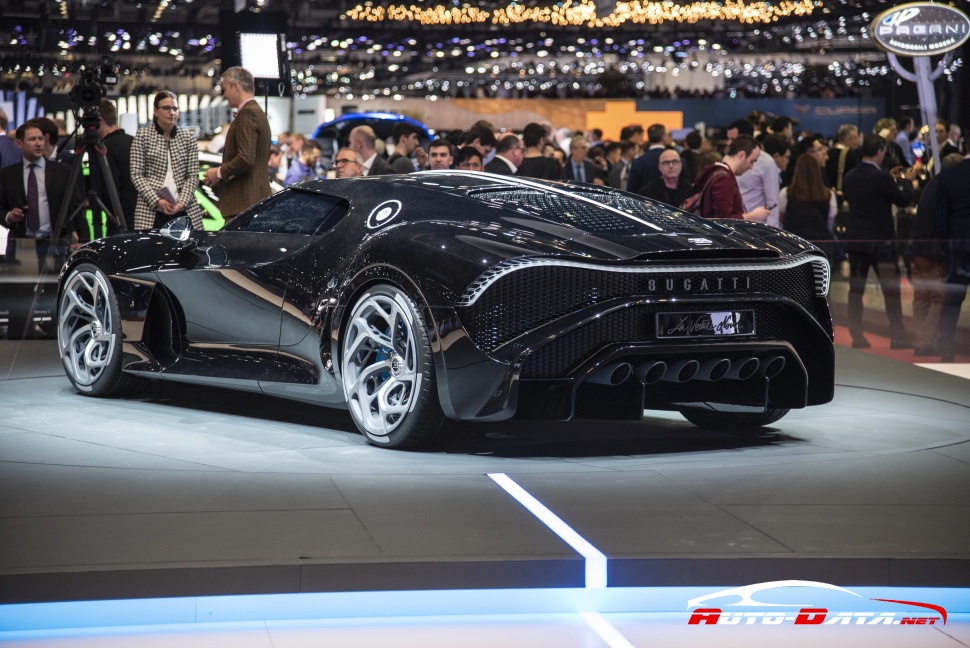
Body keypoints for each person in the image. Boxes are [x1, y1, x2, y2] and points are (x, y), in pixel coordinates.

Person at [843, 134, 917, 349]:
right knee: (891, 292)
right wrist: (907, 181)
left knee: (856, 291)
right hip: (881, 243)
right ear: (879, 152)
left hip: (857, 240)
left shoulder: (850, 176)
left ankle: (856, 335)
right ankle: (897, 336)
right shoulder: (882, 178)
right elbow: (903, 200)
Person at [0, 122, 85, 273]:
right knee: (18, 293)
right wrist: (9, 216)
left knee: (56, 291)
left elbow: (77, 207)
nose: (39, 143)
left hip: (57, 243)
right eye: (32, 139)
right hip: (21, 245)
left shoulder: (63, 172)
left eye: (41, 139)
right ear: (19, 143)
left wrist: (84, 241)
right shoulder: (7, 175)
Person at [906, 153, 964, 357]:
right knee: (939, 297)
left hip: (915, 246)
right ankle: (925, 341)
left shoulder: (932, 184)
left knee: (921, 297)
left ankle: (920, 340)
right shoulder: (946, 187)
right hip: (931, 249)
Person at [202, 67, 272, 220]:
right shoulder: (256, 111)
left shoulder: (248, 113)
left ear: (236, 86)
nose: (224, 95)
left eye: (225, 89)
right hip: (251, 201)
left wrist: (219, 173)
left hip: (244, 204)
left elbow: (246, 158)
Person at [130, 91, 204, 231]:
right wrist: (157, 201)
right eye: (166, 108)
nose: (172, 112)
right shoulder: (142, 136)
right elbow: (136, 175)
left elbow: (193, 175)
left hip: (184, 208)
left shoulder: (188, 138)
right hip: (151, 210)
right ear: (155, 111)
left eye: (175, 109)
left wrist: (182, 202)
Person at [934, 154, 970, 362]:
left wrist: (944, 246)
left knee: (953, 299)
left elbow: (940, 221)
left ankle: (946, 346)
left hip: (957, 245)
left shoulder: (948, 177)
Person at [691, 134, 771, 221]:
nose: (751, 167)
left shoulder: (716, 172)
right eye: (751, 161)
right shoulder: (724, 179)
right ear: (741, 155)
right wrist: (751, 216)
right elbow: (722, 220)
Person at [93, 97, 137, 234]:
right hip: (141, 220)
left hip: (117, 223)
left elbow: (109, 191)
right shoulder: (135, 142)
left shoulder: (104, 149)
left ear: (99, 120)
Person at [779, 154, 837, 258]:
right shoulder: (829, 195)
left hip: (793, 244)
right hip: (821, 245)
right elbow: (830, 220)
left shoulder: (786, 193)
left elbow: (781, 216)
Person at [737, 135, 789, 227]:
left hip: (757, 226)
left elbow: (772, 202)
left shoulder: (767, 162)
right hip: (736, 222)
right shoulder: (730, 159)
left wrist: (771, 234)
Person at [626, 123, 667, 193]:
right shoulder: (678, 160)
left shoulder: (637, 162)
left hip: (643, 201)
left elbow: (631, 190)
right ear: (663, 137)